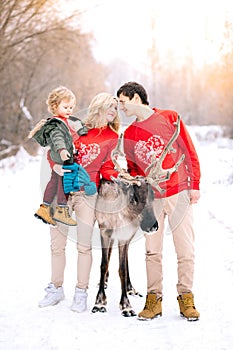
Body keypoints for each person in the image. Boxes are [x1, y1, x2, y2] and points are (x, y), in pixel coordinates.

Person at [117, 81, 201, 321]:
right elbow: (133, 169)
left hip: (178, 192)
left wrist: (194, 185)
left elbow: (189, 152)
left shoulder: (169, 117)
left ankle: (186, 297)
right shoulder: (129, 133)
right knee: (152, 251)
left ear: (135, 98)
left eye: (123, 101)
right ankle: (154, 299)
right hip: (151, 198)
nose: (121, 107)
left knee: (185, 248)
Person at [38, 92, 120, 312]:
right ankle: (55, 288)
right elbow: (54, 150)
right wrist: (54, 166)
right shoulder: (75, 127)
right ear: (99, 107)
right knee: (57, 245)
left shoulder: (112, 137)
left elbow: (106, 167)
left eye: (116, 108)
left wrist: (119, 175)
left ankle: (81, 292)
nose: (114, 111)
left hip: (87, 195)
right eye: (110, 106)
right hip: (61, 191)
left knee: (84, 246)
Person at [28, 86, 88, 226]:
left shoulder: (63, 121)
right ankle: (61, 209)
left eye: (71, 107)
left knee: (54, 181)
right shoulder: (56, 124)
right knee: (63, 183)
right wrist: (62, 150)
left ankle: (44, 207)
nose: (69, 110)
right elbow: (57, 138)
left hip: (60, 157)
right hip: (61, 157)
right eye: (66, 107)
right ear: (55, 106)